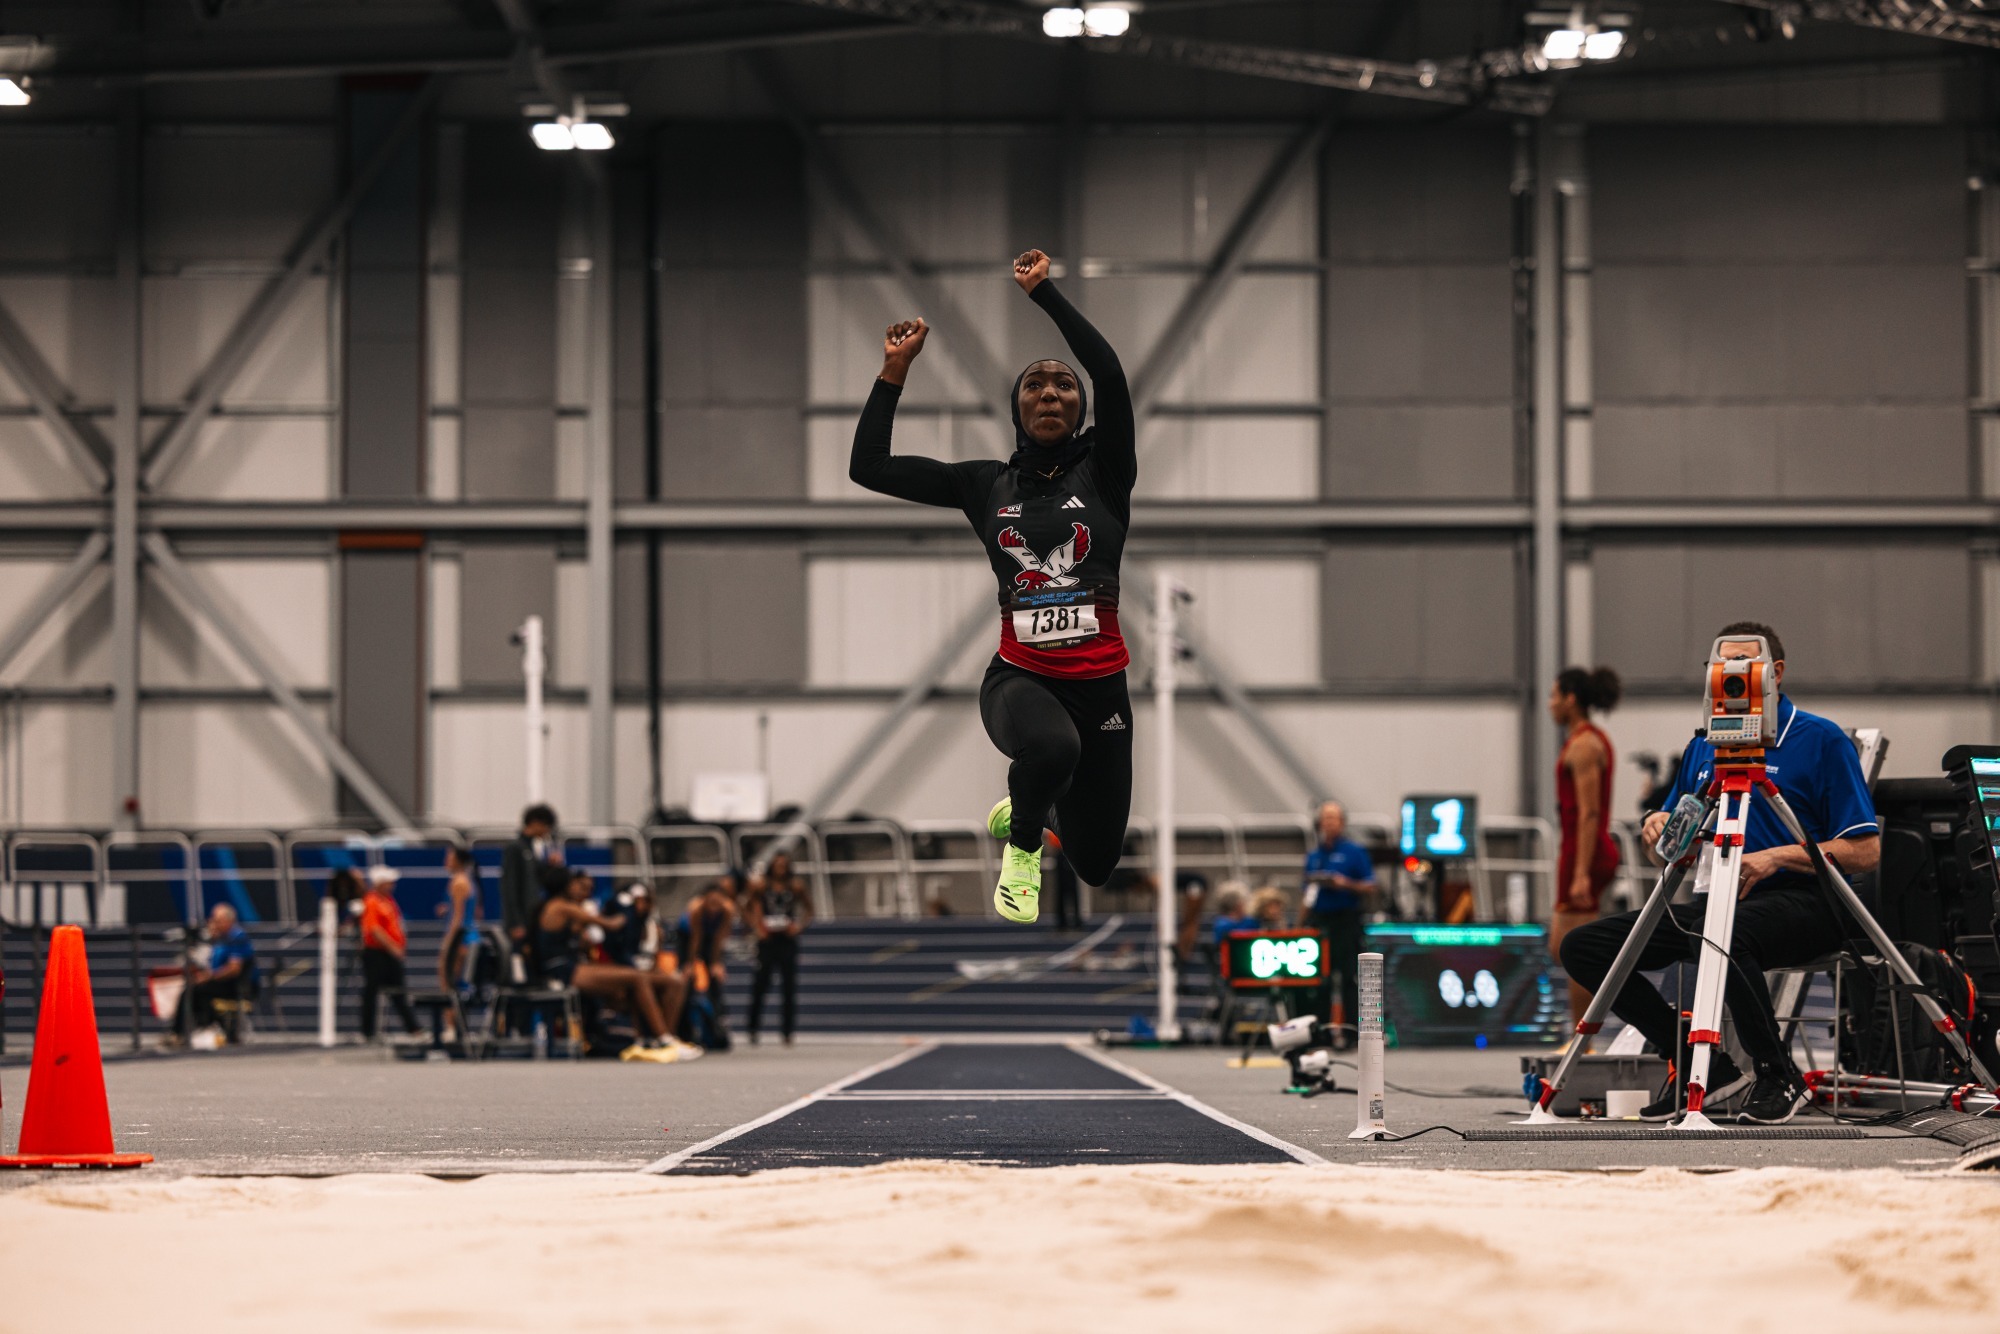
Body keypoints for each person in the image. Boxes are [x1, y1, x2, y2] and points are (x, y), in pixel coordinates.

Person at [850, 247, 1136, 925]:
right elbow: (871, 467)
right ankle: (1024, 844)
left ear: (1079, 409)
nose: (1049, 393)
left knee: (1097, 862)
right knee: (1054, 748)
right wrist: (893, 373)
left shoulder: (1107, 471)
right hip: (1021, 679)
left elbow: (1111, 376)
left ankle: (1028, 799)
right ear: (1016, 409)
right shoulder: (985, 485)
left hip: (1102, 687)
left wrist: (1046, 295)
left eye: (1063, 386)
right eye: (1035, 385)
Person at [1558, 622, 1881, 1124]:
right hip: (1719, 902)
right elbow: (1668, 850)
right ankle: (1697, 1063)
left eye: (1743, 666)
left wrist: (1778, 856)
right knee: (1585, 947)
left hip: (1808, 902)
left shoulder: (1821, 741)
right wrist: (1655, 825)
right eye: (1720, 668)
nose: (1730, 677)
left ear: (1775, 672)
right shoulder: (1704, 747)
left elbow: (1866, 850)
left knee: (1718, 931)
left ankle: (1779, 1074)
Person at [538, 870, 697, 1059]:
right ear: (566, 885)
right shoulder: (562, 906)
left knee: (653, 979)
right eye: (581, 887)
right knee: (636, 976)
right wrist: (625, 909)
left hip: (573, 965)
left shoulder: (565, 908)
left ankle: (656, 1039)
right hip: (561, 970)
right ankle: (663, 1039)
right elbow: (610, 924)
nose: (586, 892)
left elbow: (582, 939)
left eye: (589, 888)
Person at [1548, 665, 1623, 1042]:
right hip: (1576, 849)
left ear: (1570, 699)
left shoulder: (1586, 745)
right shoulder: (1579, 741)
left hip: (1586, 852)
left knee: (1574, 948)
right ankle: (1584, 1032)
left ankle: (1583, 1040)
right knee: (1560, 947)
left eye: (1554, 696)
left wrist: (1580, 873)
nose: (1550, 704)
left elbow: (1590, 812)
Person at [1301, 800, 1377, 1041]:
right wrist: (1300, 925)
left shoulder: (1354, 852)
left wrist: (1344, 884)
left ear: (1342, 823)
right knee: (1319, 979)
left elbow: (1370, 885)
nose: (1329, 823)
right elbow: (1307, 894)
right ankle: (1320, 1033)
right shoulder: (1314, 856)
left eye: (1333, 818)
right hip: (1320, 922)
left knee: (1347, 978)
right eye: (1325, 818)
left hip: (1346, 920)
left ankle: (1351, 1033)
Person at [602, 882, 695, 1050]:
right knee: (640, 981)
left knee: (676, 982)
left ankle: (666, 1036)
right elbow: (616, 953)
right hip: (622, 972)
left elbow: (654, 960)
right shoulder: (619, 922)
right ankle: (653, 1037)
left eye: (646, 901)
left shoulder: (654, 928)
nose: (642, 906)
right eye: (638, 901)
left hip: (644, 972)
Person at [746, 853, 813, 1046]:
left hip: (786, 939)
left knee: (789, 988)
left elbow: (809, 909)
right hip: (767, 940)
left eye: (784, 865)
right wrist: (757, 927)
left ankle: (787, 1032)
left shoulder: (796, 886)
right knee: (760, 985)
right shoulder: (760, 885)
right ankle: (753, 1028)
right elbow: (747, 907)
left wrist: (798, 927)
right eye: (777, 865)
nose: (780, 868)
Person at [169, 903, 260, 1045]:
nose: (214, 923)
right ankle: (202, 1028)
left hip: (237, 986)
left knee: (196, 991)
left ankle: (181, 1033)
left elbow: (234, 969)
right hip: (219, 983)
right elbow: (206, 963)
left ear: (229, 920)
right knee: (194, 989)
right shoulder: (217, 939)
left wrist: (209, 977)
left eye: (218, 920)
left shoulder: (237, 936)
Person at [500, 804, 567, 973]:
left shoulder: (532, 849)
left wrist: (551, 865)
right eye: (546, 826)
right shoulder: (515, 848)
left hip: (532, 916)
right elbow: (510, 887)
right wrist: (515, 922)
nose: (546, 832)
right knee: (518, 960)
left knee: (531, 959)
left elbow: (541, 878)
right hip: (521, 918)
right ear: (535, 823)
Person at [677, 873, 740, 1048]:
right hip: (687, 938)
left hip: (710, 939)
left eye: (717, 903)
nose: (714, 907)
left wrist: (716, 963)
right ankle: (683, 1031)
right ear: (705, 900)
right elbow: (695, 939)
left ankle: (716, 1027)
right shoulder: (696, 909)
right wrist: (689, 963)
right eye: (711, 903)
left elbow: (719, 938)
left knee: (715, 981)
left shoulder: (728, 910)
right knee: (687, 980)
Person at [359, 866, 419, 1041]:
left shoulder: (388, 900)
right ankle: (368, 1032)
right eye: (388, 882)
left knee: (398, 991)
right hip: (376, 953)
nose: (392, 885)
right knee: (372, 991)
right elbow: (374, 929)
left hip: (389, 953)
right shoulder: (372, 901)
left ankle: (412, 1028)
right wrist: (392, 946)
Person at [437, 843, 480, 991]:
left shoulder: (458, 883)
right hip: (468, 934)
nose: (446, 861)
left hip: (462, 937)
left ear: (457, 861)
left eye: (449, 858)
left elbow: (458, 917)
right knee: (454, 983)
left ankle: (450, 1014)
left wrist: (449, 942)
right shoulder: (465, 879)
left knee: (448, 983)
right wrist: (447, 908)